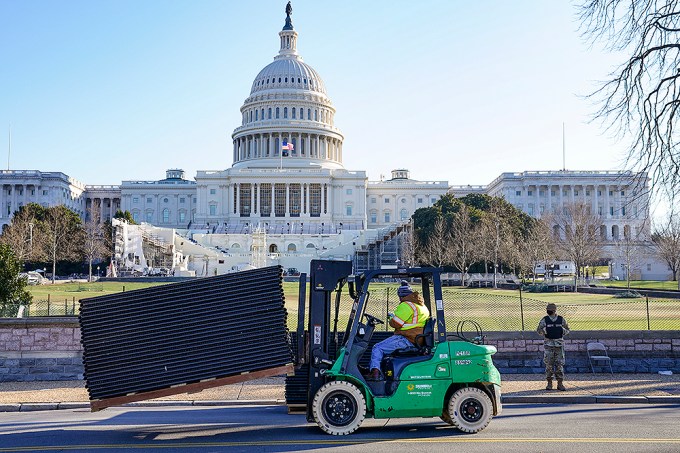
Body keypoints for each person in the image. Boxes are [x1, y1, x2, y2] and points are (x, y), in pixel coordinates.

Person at [368, 281, 430, 380]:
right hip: (415, 338)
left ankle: (375, 373)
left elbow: (395, 324)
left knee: (377, 348)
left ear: (400, 296)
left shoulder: (406, 305)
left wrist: (391, 318)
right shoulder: (420, 305)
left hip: (407, 339)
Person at [537, 303, 570, 391]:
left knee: (560, 365)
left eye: (550, 310)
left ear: (554, 310)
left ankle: (560, 383)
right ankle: (549, 383)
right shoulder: (545, 320)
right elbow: (539, 330)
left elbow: (567, 330)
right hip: (549, 345)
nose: (549, 311)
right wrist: (545, 331)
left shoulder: (561, 319)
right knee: (549, 365)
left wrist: (561, 330)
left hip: (559, 345)